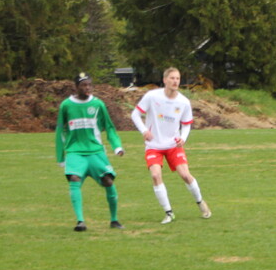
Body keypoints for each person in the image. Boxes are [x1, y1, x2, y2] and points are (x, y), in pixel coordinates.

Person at [130, 67, 213, 224]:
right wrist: (144, 131)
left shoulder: (183, 102)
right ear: (165, 80)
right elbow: (135, 114)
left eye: (178, 78)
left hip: (173, 145)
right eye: (172, 78)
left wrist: (183, 138)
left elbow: (186, 124)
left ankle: (200, 202)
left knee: (185, 175)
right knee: (155, 175)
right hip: (153, 145)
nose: (175, 81)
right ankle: (169, 212)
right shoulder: (152, 96)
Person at [55, 72, 126, 232]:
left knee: (108, 181)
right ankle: (80, 221)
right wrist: (61, 156)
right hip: (75, 152)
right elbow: (60, 131)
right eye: (83, 85)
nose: (87, 88)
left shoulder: (98, 104)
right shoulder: (66, 105)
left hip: (95, 151)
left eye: (89, 85)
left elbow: (109, 127)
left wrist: (117, 146)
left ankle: (114, 220)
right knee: (74, 179)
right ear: (76, 87)